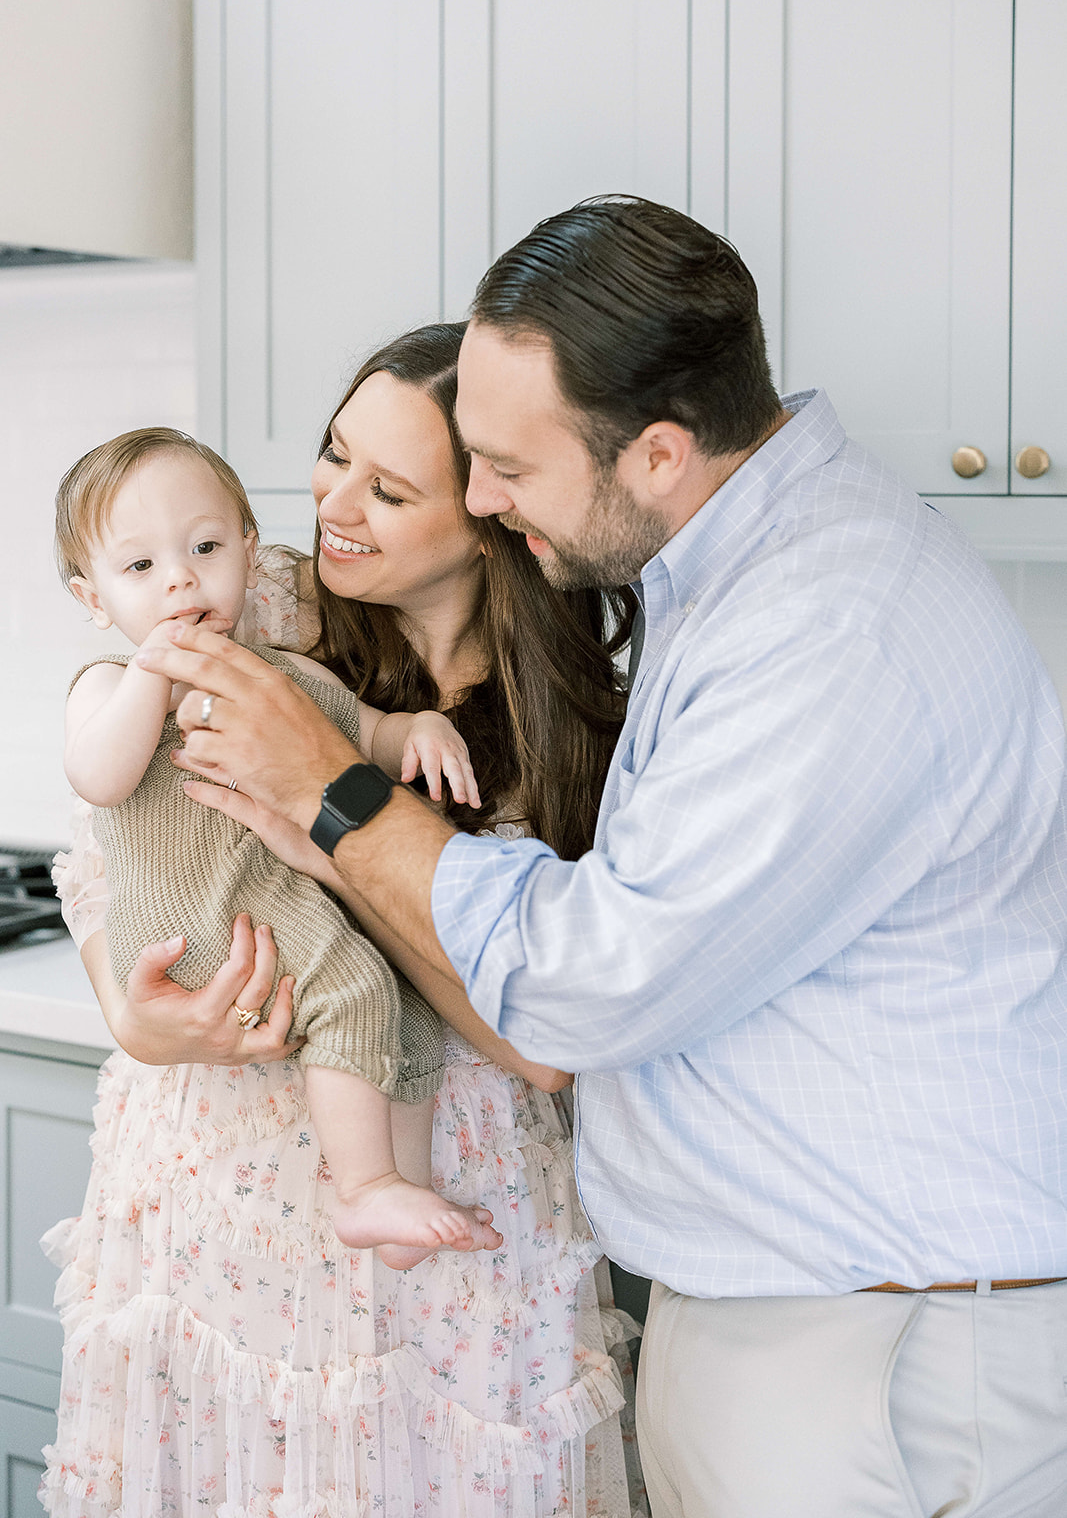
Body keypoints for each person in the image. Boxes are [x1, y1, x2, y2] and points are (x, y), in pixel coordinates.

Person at [141, 198, 1067, 1518]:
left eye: (505, 469)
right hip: (820, 1324)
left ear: (657, 454)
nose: (478, 498)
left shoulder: (829, 624)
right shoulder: (737, 573)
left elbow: (588, 987)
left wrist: (333, 800)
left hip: (872, 1354)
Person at [43, 324, 641, 1517]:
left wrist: (329, 826)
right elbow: (112, 838)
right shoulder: (247, 597)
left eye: (388, 484)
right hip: (217, 1180)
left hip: (447, 1197)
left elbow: (546, 1049)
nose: (332, 502)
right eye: (332, 455)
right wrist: (136, 1013)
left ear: (484, 509)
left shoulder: (565, 724)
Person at [56, 426, 500, 1261]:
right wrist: (157, 673)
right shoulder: (111, 687)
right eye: (140, 567)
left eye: (206, 546)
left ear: (248, 549)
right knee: (356, 989)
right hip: (200, 928)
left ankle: (396, 1193)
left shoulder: (293, 675)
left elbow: (368, 736)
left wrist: (424, 728)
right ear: (93, 600)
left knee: (402, 1018)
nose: (182, 577)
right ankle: (365, 1190)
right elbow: (99, 776)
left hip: (271, 905)